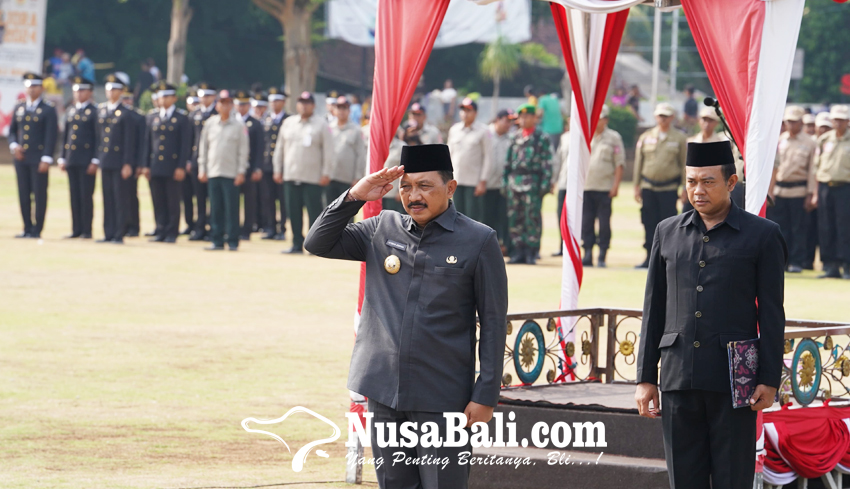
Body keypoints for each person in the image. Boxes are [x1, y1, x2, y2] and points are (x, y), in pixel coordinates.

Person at [304, 144, 508, 489]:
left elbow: (492, 322)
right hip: (383, 390)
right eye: (406, 187)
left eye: (425, 186)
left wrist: (485, 394)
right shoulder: (380, 228)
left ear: (451, 187)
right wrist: (356, 194)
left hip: (442, 395)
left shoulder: (478, 240)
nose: (414, 195)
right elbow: (317, 241)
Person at [635, 140, 787, 489]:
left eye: (708, 182)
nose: (698, 190)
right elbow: (654, 308)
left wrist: (769, 377)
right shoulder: (667, 232)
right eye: (691, 182)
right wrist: (645, 378)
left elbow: (773, 313)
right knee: (683, 481)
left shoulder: (763, 235)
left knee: (732, 480)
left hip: (734, 382)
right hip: (677, 378)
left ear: (732, 183)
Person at [272, 91, 334, 254]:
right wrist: (277, 169)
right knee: (293, 212)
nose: (304, 105)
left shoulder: (321, 124)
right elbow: (280, 148)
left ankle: (314, 245)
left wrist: (326, 172)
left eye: (307, 102)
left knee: (314, 212)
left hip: (313, 177)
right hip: (291, 174)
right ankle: (296, 243)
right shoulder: (288, 123)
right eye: (301, 102)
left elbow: (328, 151)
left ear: (313, 105)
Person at [633, 102, 688, 268]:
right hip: (648, 187)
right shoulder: (646, 137)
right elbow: (638, 163)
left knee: (669, 224)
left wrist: (685, 187)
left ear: (672, 117)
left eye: (665, 116)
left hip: (669, 189)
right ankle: (649, 256)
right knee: (649, 222)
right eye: (659, 116)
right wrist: (636, 185)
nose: (662, 119)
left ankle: (667, 258)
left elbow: (684, 164)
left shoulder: (679, 138)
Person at [767, 106, 817, 273]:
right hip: (780, 190)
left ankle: (797, 261)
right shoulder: (780, 139)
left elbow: (812, 170)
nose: (790, 124)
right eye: (788, 121)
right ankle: (783, 260)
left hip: (798, 190)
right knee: (780, 229)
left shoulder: (810, 142)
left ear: (801, 122)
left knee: (798, 228)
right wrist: (770, 190)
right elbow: (773, 168)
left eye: (794, 121)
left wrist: (811, 193)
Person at [197, 90, 249, 251]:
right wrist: (202, 168)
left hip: (231, 173)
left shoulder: (239, 126)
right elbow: (203, 148)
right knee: (215, 208)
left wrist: (241, 171)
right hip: (213, 171)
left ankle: (233, 240)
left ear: (232, 105)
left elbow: (243, 151)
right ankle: (217, 239)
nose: (225, 106)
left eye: (228, 103)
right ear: (217, 105)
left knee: (231, 209)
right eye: (222, 103)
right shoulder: (210, 124)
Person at [8, 73, 58, 239]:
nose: (31, 89)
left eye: (35, 86)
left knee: (39, 193)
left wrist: (46, 157)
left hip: (38, 158)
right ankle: (26, 227)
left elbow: (51, 135)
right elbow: (12, 131)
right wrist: (14, 145)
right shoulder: (19, 107)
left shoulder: (48, 108)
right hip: (21, 158)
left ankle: (37, 229)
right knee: (23, 193)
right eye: (29, 86)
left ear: (41, 88)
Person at [142, 81, 191, 243]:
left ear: (174, 98)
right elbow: (147, 143)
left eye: (166, 96)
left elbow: (185, 145)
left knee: (172, 200)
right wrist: (145, 165)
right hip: (155, 165)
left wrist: (181, 166)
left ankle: (172, 231)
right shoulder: (152, 117)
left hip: (173, 166)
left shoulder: (182, 118)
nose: (162, 100)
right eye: (160, 97)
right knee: (158, 200)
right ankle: (160, 229)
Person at [504, 103, 553, 265]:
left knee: (531, 218)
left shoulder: (541, 138)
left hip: (533, 182)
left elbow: (547, 163)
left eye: (527, 116)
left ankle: (532, 252)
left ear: (534, 118)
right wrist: (505, 182)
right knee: (515, 218)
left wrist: (545, 185)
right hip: (515, 182)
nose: (523, 119)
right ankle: (518, 251)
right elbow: (508, 163)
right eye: (521, 116)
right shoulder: (514, 137)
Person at [582, 105, 625, 268]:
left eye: (600, 118)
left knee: (604, 224)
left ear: (606, 120)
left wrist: (616, 186)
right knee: (586, 223)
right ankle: (587, 253)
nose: (597, 121)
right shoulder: (586, 135)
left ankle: (602, 254)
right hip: (587, 187)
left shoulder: (613, 137)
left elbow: (619, 164)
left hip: (604, 188)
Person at [96, 74, 137, 244]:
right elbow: (99, 137)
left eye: (114, 89)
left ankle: (119, 233)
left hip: (120, 161)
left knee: (120, 198)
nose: (111, 92)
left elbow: (129, 141)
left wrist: (128, 163)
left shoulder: (126, 113)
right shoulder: (102, 110)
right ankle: (108, 232)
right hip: (106, 160)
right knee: (107, 198)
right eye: (108, 89)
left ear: (121, 91)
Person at [812, 105, 850, 280]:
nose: (838, 123)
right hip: (826, 186)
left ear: (847, 121)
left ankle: (847, 266)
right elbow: (816, 166)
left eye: (841, 120)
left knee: (845, 227)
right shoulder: (825, 139)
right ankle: (830, 266)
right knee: (826, 226)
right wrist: (814, 192)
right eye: (835, 120)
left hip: (845, 187)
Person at [58, 76, 97, 240]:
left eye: (82, 90)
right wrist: (62, 157)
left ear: (89, 92)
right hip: (72, 159)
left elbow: (98, 138)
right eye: (76, 91)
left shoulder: (94, 112)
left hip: (86, 160)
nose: (78, 94)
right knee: (74, 195)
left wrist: (95, 160)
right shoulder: (71, 110)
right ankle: (76, 229)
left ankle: (86, 230)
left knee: (86, 195)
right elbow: (66, 136)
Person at [447, 97, 492, 222]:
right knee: (456, 216)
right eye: (463, 110)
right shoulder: (454, 130)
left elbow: (488, 157)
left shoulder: (483, 131)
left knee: (472, 218)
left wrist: (483, 181)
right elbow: (449, 155)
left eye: (469, 110)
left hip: (474, 181)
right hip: (456, 180)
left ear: (475, 113)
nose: (465, 113)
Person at [186, 82, 218, 241]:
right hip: (197, 160)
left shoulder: (217, 114)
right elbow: (189, 139)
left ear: (213, 97)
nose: (204, 99)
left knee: (213, 198)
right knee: (198, 198)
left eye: (207, 95)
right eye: (202, 95)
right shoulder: (194, 114)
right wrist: (188, 160)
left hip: (213, 161)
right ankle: (199, 228)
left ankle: (213, 228)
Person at [327, 96, 366, 208]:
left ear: (349, 111)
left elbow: (360, 155)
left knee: (346, 211)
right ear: (334, 110)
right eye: (339, 108)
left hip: (347, 178)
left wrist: (357, 177)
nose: (341, 111)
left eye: (344, 108)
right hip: (330, 176)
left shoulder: (356, 130)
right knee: (329, 210)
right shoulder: (329, 128)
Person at [484, 109, 514, 247]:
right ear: (498, 119)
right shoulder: (486, 134)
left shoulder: (512, 138)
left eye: (511, 122)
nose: (509, 124)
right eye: (507, 121)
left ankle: (504, 247)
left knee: (504, 218)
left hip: (503, 187)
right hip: (486, 185)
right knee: (486, 218)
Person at [261, 87, 288, 240]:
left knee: (282, 200)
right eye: (271, 101)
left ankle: (282, 229)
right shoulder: (266, 119)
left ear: (283, 102)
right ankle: (270, 227)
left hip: (283, 166)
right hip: (267, 165)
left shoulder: (288, 120)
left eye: (277, 100)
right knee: (268, 198)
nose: (273, 104)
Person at [121, 86, 146, 238]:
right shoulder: (117, 114)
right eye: (124, 98)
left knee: (131, 195)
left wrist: (139, 164)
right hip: (118, 160)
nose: (127, 101)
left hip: (133, 162)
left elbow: (142, 143)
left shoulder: (138, 117)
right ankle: (121, 224)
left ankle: (133, 226)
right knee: (118, 195)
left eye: (129, 98)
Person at [553, 125, 570, 257]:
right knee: (561, 215)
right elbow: (558, 160)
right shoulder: (564, 138)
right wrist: (554, 179)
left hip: (581, 186)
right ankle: (562, 244)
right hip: (564, 182)